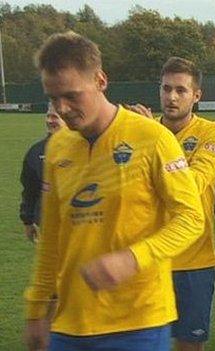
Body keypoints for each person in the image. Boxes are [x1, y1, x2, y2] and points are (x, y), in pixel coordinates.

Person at [23, 31, 205, 351]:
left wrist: (132, 259)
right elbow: (51, 235)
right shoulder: (58, 148)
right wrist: (37, 308)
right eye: (53, 98)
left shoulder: (153, 138)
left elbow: (191, 218)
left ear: (101, 80)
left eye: (72, 95)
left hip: (138, 322)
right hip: (69, 322)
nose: (62, 108)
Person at [129, 56, 215, 351]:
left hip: (194, 259)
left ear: (196, 95)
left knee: (188, 345)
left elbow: (191, 186)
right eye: (166, 88)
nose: (171, 97)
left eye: (181, 90)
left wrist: (154, 137)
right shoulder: (137, 134)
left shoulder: (212, 132)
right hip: (147, 257)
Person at [19, 103, 66, 243]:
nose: (49, 121)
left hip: (80, 225)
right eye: (48, 116)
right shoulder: (36, 151)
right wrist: (27, 221)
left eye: (55, 117)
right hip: (47, 225)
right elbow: (29, 190)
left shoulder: (84, 147)